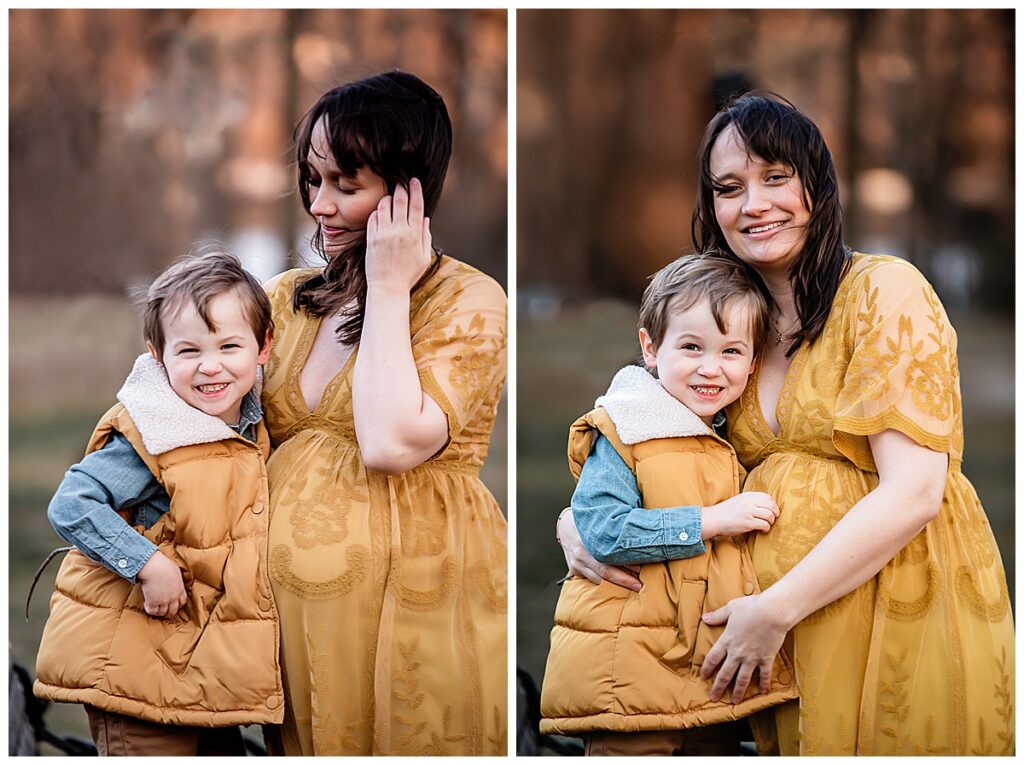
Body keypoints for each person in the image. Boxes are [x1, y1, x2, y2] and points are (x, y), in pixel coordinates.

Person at [557, 93, 1014, 755]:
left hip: (888, 605)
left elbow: (914, 490)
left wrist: (776, 609)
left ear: (816, 186)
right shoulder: (719, 325)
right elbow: (636, 437)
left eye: (775, 177)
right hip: (758, 638)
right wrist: (574, 521)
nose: (754, 204)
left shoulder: (884, 292)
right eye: (730, 187)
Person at [260, 71, 507, 755]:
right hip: (292, 638)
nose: (320, 205)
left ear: (409, 191)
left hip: (417, 616)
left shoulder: (468, 300)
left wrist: (390, 285)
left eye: (346, 184)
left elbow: (390, 442)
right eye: (314, 179)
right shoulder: (284, 299)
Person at [539, 252, 797, 756]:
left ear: (753, 359)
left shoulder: (723, 432)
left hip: (703, 669)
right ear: (650, 348)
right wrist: (711, 521)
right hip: (628, 671)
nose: (710, 368)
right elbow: (605, 531)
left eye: (731, 351)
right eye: (692, 347)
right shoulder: (626, 428)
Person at [34, 251, 281, 756]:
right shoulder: (155, 432)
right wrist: (147, 564)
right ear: (157, 356)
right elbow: (73, 502)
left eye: (229, 346)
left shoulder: (251, 426)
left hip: (199, 676)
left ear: (263, 346)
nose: (210, 366)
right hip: (133, 678)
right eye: (188, 351)